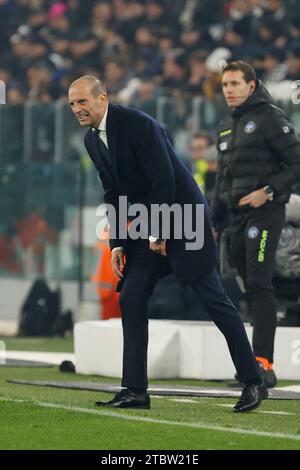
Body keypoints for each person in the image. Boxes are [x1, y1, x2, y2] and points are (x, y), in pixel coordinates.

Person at [68, 75, 267, 413]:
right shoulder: (91, 140)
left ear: (103, 98)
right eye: (72, 104)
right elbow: (113, 194)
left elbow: (165, 179)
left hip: (183, 218)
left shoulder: (139, 125)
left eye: (82, 101)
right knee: (131, 296)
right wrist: (117, 244)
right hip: (149, 226)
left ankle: (253, 381)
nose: (76, 109)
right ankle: (135, 390)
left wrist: (160, 232)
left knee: (213, 299)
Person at [211, 61, 300, 387]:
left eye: (235, 83)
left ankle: (263, 364)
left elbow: (296, 162)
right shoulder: (226, 126)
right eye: (225, 85)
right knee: (250, 287)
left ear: (252, 85)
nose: (229, 90)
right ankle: (253, 364)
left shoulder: (270, 118)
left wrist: (269, 191)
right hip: (235, 218)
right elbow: (222, 178)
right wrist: (214, 220)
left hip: (264, 213)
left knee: (260, 284)